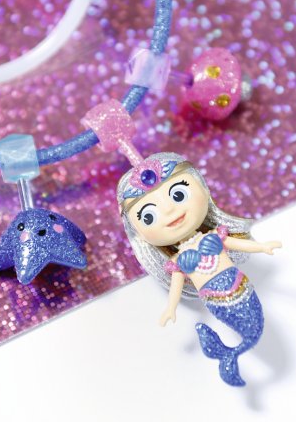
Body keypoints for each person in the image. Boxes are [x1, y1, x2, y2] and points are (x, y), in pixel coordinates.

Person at [117, 151, 281, 387]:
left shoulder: (215, 236)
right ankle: (230, 354)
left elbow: (236, 243)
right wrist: (171, 307)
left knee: (252, 328)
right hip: (215, 300)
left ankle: (233, 351)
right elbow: (176, 286)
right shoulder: (178, 261)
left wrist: (262, 247)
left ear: (204, 188)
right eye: (149, 216)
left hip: (240, 287)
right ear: (137, 233)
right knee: (248, 330)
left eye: (179, 194)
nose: (170, 211)